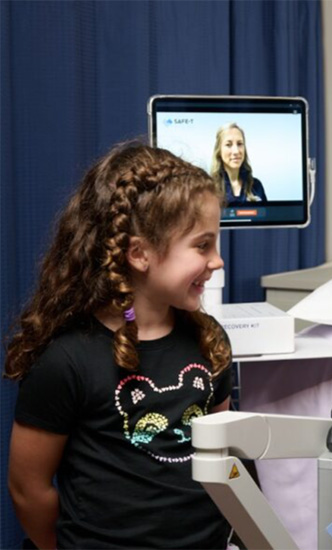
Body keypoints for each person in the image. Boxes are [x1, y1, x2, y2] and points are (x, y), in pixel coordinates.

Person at [5, 143, 234, 549]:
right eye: (203, 246)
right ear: (140, 254)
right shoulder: (68, 360)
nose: (217, 261)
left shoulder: (208, 339)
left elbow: (226, 456)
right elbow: (28, 490)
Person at [211, 122, 267, 205]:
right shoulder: (209, 188)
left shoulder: (256, 186)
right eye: (228, 145)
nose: (236, 151)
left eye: (240, 144)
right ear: (219, 151)